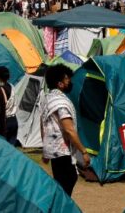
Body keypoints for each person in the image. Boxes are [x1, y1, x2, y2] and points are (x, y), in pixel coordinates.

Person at [41, 64, 90, 196]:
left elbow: (43, 126)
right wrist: (83, 151)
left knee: (62, 183)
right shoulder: (60, 102)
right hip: (62, 151)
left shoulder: (48, 99)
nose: (70, 81)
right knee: (68, 180)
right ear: (60, 84)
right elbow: (69, 130)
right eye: (67, 78)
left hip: (54, 150)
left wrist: (45, 148)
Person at [0, 66, 19, 146]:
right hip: (14, 119)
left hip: (4, 120)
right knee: (11, 148)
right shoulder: (12, 86)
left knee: (1, 147)